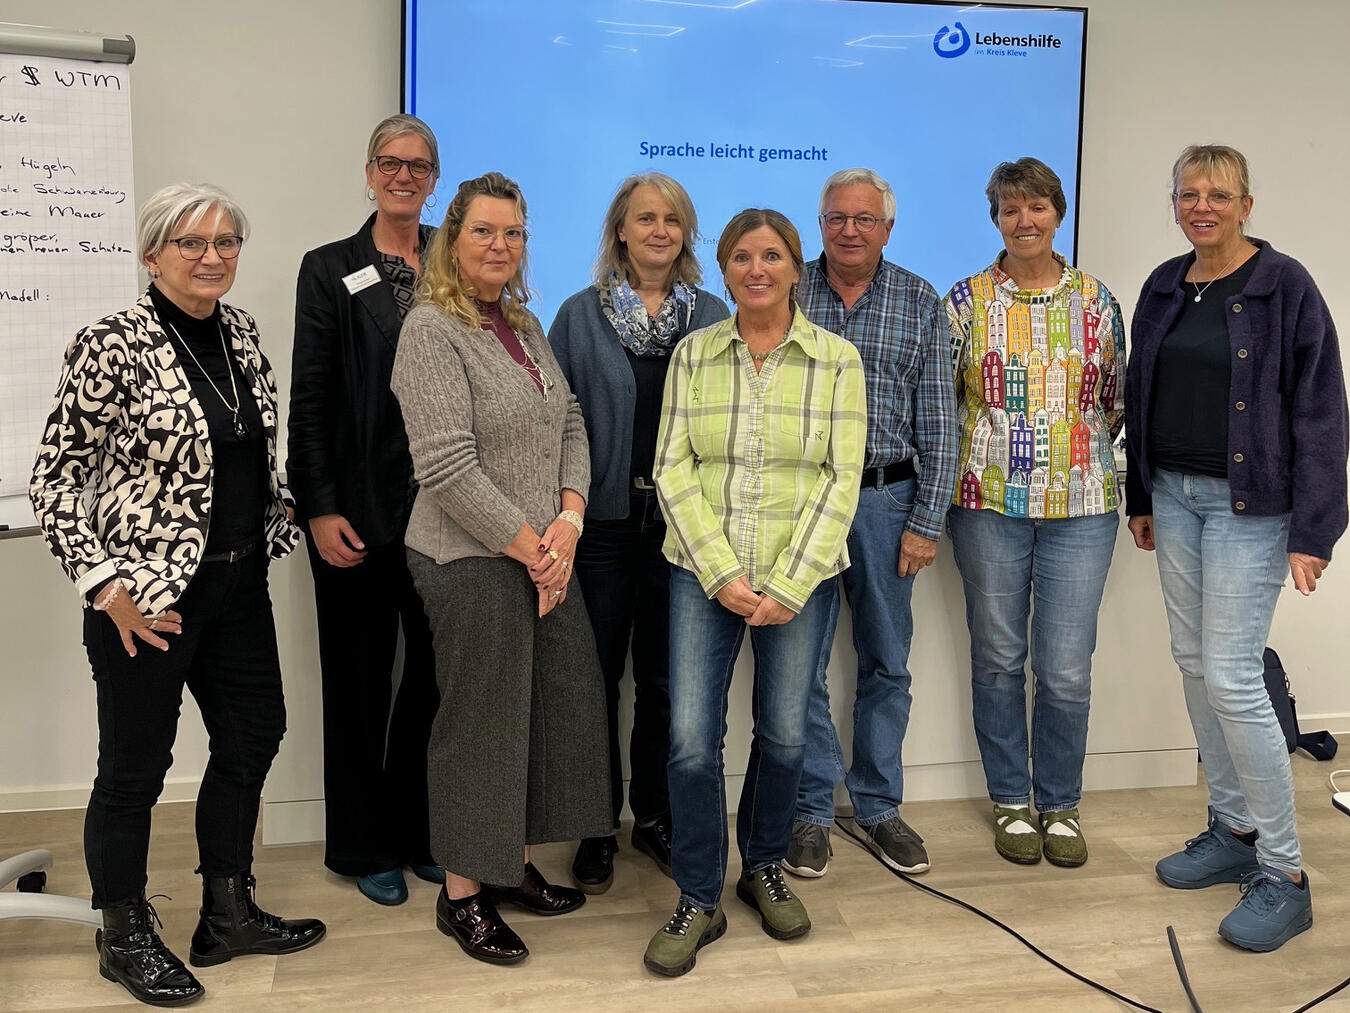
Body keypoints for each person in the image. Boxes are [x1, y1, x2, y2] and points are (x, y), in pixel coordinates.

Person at [29, 183, 325, 1007]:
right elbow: (55, 481)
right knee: (134, 770)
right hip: (148, 600)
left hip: (236, 584)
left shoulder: (240, 333)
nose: (212, 257)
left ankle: (226, 909)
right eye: (191, 243)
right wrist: (106, 588)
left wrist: (288, 508)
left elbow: (248, 455)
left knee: (254, 733)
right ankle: (122, 932)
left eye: (227, 241)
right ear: (153, 253)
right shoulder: (111, 344)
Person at [1126, 144, 1347, 951]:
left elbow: (1322, 410)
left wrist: (1314, 530)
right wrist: (1143, 496)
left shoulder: (1283, 284)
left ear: (1247, 203)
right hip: (1176, 498)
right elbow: (1140, 395)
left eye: (1219, 194)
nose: (1202, 206)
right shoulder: (1164, 283)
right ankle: (1233, 830)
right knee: (1193, 660)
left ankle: (1285, 874)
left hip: (1253, 506)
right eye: (1189, 194)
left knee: (1232, 673)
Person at [390, 172, 611, 966]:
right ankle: (463, 895)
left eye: (513, 233)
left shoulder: (518, 319)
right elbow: (446, 467)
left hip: (540, 551)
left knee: (545, 713)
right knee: (481, 725)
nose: (501, 246)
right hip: (469, 557)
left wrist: (570, 517)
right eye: (484, 231)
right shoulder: (430, 329)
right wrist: (535, 548)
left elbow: (572, 417)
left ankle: (509, 862)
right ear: (453, 238)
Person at [643, 209, 865, 978]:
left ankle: (762, 865)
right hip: (702, 574)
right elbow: (671, 466)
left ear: (797, 268)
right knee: (690, 739)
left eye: (772, 255)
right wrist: (723, 575)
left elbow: (843, 480)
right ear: (724, 269)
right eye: (741, 256)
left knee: (784, 736)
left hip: (797, 580)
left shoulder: (838, 360)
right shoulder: (695, 354)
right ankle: (698, 895)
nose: (757, 268)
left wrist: (787, 581)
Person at [548, 173, 730, 893]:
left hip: (685, 530)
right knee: (593, 680)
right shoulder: (577, 315)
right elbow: (556, 424)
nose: (659, 230)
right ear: (619, 230)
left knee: (666, 681)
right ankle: (595, 825)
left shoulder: (714, 313)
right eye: (644, 218)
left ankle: (654, 817)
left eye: (672, 220)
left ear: (685, 233)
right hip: (600, 528)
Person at [943, 158, 1126, 868]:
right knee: (997, 658)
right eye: (1011, 209)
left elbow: (1113, 399)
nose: (1025, 220)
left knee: (1067, 668)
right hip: (988, 502)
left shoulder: (1096, 300)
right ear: (996, 219)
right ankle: (1012, 801)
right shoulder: (966, 300)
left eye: (1038, 207)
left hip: (1083, 505)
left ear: (1059, 213)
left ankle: (1061, 802)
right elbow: (949, 400)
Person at [785, 169, 957, 881]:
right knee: (803, 665)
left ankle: (880, 804)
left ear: (888, 228)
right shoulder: (788, 286)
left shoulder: (919, 299)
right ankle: (813, 811)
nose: (849, 229)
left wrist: (928, 518)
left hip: (888, 502)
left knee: (887, 660)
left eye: (864, 218)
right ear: (819, 223)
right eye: (835, 217)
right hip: (801, 503)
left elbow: (941, 419)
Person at [287, 113, 442, 906]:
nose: (404, 175)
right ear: (370, 171)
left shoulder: (460, 258)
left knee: (434, 681)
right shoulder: (329, 269)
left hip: (446, 516)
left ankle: (418, 829)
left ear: (435, 176)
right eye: (391, 161)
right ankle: (359, 842)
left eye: (419, 164)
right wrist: (316, 507)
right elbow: (308, 402)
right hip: (353, 515)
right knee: (356, 684)